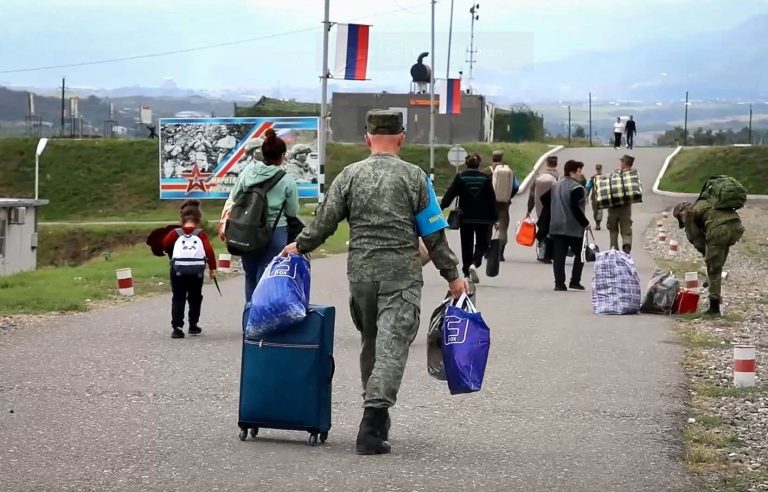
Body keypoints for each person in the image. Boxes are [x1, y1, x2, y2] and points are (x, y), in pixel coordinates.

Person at [281, 109, 467, 455]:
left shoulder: (349, 176)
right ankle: (372, 423)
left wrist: (300, 245)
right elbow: (434, 234)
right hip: (401, 276)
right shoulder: (415, 178)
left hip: (362, 276)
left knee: (372, 342)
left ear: (367, 138)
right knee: (393, 347)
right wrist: (453, 275)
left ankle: (377, 419)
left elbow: (324, 222)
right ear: (402, 137)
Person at [219, 128, 300, 302]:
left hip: (247, 229)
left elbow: (235, 197)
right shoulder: (286, 180)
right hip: (275, 232)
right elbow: (293, 211)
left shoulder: (248, 172)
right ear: (282, 155)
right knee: (268, 275)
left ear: (262, 153)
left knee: (250, 275)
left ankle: (249, 318)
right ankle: (264, 317)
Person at [673, 199, 744, 315]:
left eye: (680, 219)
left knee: (713, 269)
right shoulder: (704, 203)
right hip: (736, 227)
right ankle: (712, 284)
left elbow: (697, 241)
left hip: (720, 230)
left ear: (681, 212)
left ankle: (714, 308)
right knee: (717, 263)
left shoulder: (689, 214)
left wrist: (708, 257)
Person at [162, 200, 217, 339]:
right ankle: (193, 325)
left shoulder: (175, 233)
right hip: (196, 271)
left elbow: (165, 244)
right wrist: (212, 268)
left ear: (181, 219)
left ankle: (177, 328)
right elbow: (209, 251)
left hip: (177, 270)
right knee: (195, 297)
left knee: (178, 297)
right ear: (199, 220)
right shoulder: (200, 234)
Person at [441, 153, 498, 283]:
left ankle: (466, 273)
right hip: (483, 217)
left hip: (465, 217)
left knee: (466, 243)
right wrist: (495, 218)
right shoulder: (485, 178)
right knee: (482, 242)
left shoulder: (460, 177)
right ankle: (475, 262)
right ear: (479, 164)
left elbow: (450, 194)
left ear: (466, 164)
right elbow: (491, 199)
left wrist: (440, 208)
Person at [549, 160, 590, 291]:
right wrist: (585, 222)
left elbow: (545, 201)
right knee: (580, 253)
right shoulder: (576, 187)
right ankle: (575, 281)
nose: (581, 174)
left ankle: (559, 284)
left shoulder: (555, 185)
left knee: (559, 255)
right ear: (572, 172)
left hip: (556, 225)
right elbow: (575, 208)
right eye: (579, 171)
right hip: (572, 226)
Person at [527, 156, 560, 263]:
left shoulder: (539, 176)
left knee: (542, 230)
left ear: (547, 163)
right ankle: (550, 254)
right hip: (554, 209)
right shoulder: (559, 177)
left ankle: (541, 253)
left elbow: (532, 195)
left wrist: (529, 208)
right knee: (552, 231)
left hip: (539, 208)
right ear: (556, 164)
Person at [486, 149, 518, 261]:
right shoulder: (508, 171)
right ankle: (500, 253)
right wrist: (508, 197)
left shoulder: (486, 172)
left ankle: (487, 251)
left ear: (492, 158)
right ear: (502, 159)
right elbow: (515, 187)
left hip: (489, 205)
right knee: (503, 229)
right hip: (503, 205)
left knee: (487, 228)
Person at [607, 155, 637, 253]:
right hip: (626, 207)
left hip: (613, 207)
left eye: (621, 161)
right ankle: (626, 244)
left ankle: (614, 248)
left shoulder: (616, 174)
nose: (620, 163)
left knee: (613, 229)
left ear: (624, 162)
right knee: (626, 228)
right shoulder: (633, 175)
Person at [585, 164, 604, 230]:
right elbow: (588, 187)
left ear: (601, 169)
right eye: (597, 169)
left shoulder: (604, 177)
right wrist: (586, 195)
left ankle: (598, 224)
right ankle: (596, 222)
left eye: (599, 169)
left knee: (600, 211)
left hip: (602, 197)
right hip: (594, 197)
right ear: (596, 169)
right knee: (595, 211)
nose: (598, 170)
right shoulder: (592, 178)